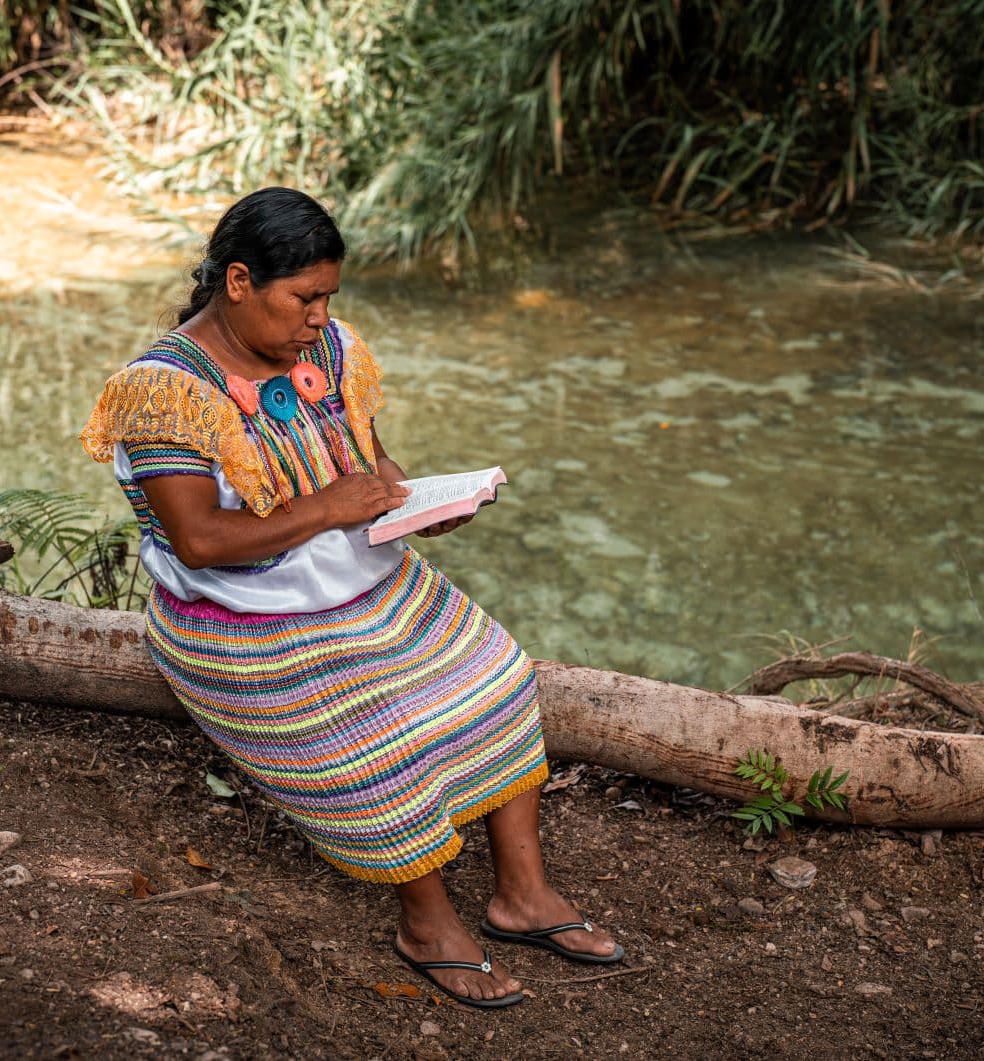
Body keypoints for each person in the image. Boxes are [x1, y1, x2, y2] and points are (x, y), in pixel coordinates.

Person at [79, 187, 620, 1008]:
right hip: (239, 618)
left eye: (328, 296)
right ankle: (426, 922)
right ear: (236, 281)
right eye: (303, 297)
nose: (318, 316)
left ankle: (521, 893)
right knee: (380, 743)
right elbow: (200, 541)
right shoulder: (166, 390)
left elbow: (369, 462)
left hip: (364, 580)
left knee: (500, 675)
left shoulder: (325, 351)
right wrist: (328, 508)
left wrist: (413, 502)